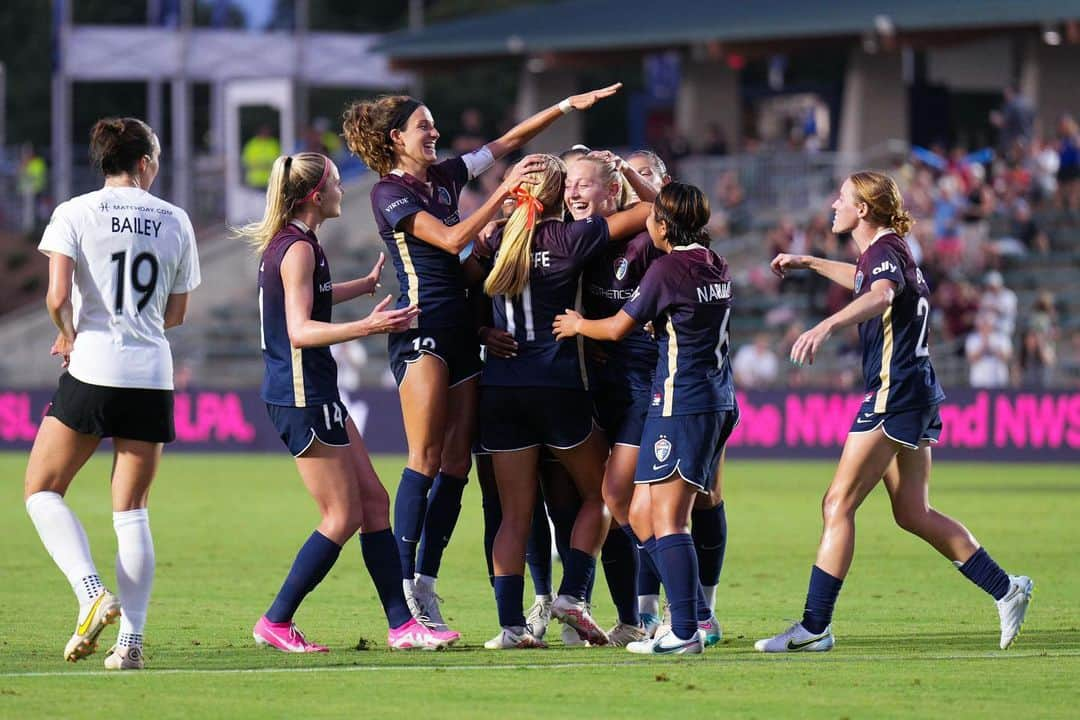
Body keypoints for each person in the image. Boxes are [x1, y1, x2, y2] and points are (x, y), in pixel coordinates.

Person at [342, 84, 621, 635]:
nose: (435, 134)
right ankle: (403, 595)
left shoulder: (445, 175)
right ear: (398, 137)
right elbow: (448, 242)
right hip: (420, 327)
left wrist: (565, 107)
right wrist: (503, 195)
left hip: (464, 329)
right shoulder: (390, 193)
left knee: (456, 464)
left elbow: (509, 140)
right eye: (425, 127)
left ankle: (425, 583)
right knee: (424, 458)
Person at [757, 171, 1032, 653]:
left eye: (841, 198)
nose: (833, 205)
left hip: (895, 392)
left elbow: (880, 294)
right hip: (918, 390)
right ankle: (1007, 588)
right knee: (912, 512)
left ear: (863, 209)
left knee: (837, 504)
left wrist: (826, 325)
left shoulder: (884, 254)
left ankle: (813, 627)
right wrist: (809, 261)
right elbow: (867, 280)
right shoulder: (891, 250)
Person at [239, 151, 458, 652]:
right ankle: (276, 620)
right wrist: (369, 326)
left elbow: (304, 301)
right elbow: (298, 330)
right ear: (316, 195)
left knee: (375, 503)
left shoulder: (298, 243)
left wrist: (357, 290)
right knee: (341, 515)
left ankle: (403, 626)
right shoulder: (295, 249)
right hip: (301, 395)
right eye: (337, 182)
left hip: (316, 392)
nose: (343, 189)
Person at [24, 117, 201, 670]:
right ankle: (131, 645)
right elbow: (175, 314)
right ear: (145, 162)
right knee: (132, 512)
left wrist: (67, 330)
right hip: (150, 374)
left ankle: (90, 592)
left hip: (92, 366)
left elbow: (57, 294)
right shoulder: (176, 219)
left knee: (42, 490)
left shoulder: (74, 212)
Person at [554, 181, 737, 655]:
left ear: (662, 224)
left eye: (652, 216)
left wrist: (576, 325)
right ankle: (694, 613)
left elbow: (616, 328)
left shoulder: (668, 269)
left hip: (683, 401)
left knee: (668, 519)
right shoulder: (715, 263)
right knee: (638, 512)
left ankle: (684, 632)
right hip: (715, 398)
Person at [478, 154, 652, 649]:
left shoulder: (494, 238)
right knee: (603, 493)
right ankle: (573, 594)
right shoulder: (572, 238)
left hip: (500, 389)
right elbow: (654, 212)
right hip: (557, 388)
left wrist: (481, 330)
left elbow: (458, 291)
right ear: (559, 195)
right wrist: (625, 179)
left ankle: (511, 627)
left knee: (514, 515)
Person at [242, 125, 281, 189]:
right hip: (255, 181)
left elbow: (280, 160)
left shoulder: (274, 144)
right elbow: (246, 161)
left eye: (266, 132)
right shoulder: (251, 145)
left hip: (271, 180)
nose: (265, 134)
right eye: (263, 132)